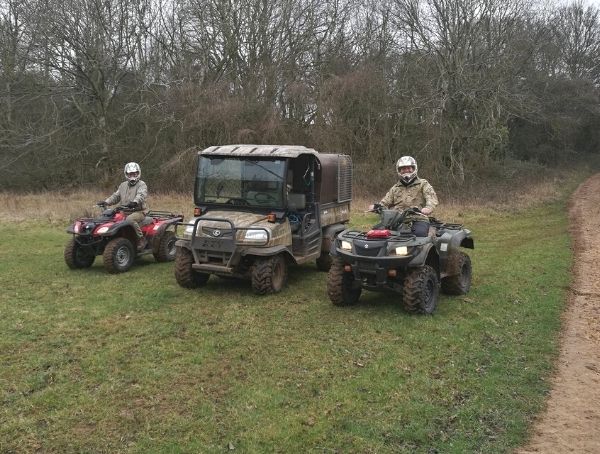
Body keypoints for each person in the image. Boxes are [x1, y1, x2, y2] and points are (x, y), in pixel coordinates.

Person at [370, 156, 438, 237]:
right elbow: (385, 202)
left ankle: (431, 235)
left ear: (414, 168)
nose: (406, 170)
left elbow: (431, 197)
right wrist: (376, 207)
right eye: (403, 168)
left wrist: (428, 208)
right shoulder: (395, 188)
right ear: (399, 170)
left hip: (418, 218)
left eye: (409, 168)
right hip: (396, 219)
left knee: (419, 235)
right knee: (376, 233)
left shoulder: (423, 184)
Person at [98, 162, 149, 250]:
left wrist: (135, 202)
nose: (132, 175)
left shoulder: (142, 184)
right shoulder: (123, 185)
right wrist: (106, 202)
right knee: (109, 219)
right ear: (126, 174)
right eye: (130, 174)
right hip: (124, 211)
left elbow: (141, 195)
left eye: (134, 173)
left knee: (130, 219)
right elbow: (115, 196)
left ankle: (141, 239)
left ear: (138, 173)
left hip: (138, 211)